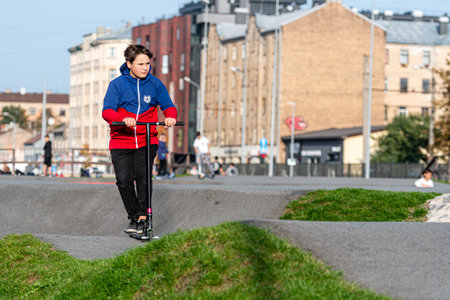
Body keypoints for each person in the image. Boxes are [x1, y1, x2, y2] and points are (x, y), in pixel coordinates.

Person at [102, 44, 177, 234]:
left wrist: (170, 116)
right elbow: (107, 111)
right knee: (124, 180)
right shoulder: (117, 85)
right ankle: (134, 216)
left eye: (147, 64)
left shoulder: (154, 84)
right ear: (129, 64)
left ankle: (144, 217)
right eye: (140, 64)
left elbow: (168, 106)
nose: (145, 68)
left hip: (147, 139)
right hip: (121, 140)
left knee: (144, 178)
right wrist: (122, 119)